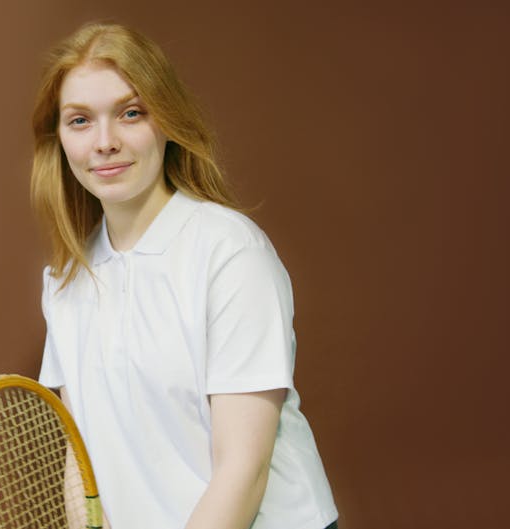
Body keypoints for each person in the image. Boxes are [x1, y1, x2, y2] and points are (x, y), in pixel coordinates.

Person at [31, 22, 339, 529]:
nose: (104, 142)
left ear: (167, 122)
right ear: (59, 138)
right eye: (80, 120)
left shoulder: (230, 253)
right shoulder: (66, 281)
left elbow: (244, 469)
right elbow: (78, 455)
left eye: (131, 113)